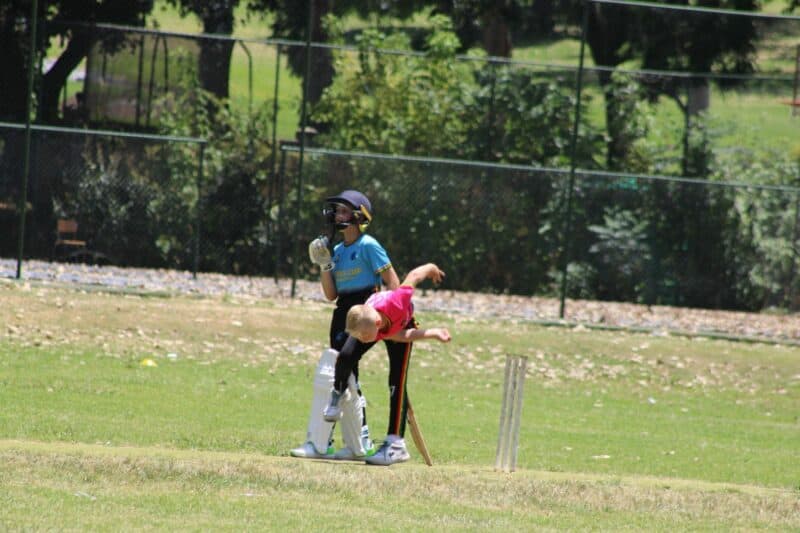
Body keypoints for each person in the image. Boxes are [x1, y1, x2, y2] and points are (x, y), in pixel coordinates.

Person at [290, 189, 401, 461]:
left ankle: (320, 443)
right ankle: (357, 445)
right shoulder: (337, 251)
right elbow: (331, 295)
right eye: (336, 210)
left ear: (358, 215)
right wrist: (325, 264)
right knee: (347, 375)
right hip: (343, 313)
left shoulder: (368, 245)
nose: (336, 215)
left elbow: (394, 284)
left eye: (342, 210)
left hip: (367, 310)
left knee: (335, 369)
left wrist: (384, 316)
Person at [323, 263, 451, 466]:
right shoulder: (366, 322)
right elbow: (373, 334)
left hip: (402, 322)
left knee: (396, 382)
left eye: (365, 338)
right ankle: (338, 393)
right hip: (379, 320)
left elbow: (414, 275)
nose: (364, 341)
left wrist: (433, 269)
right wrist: (361, 336)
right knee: (345, 355)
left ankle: (396, 444)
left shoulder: (399, 299)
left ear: (376, 327)